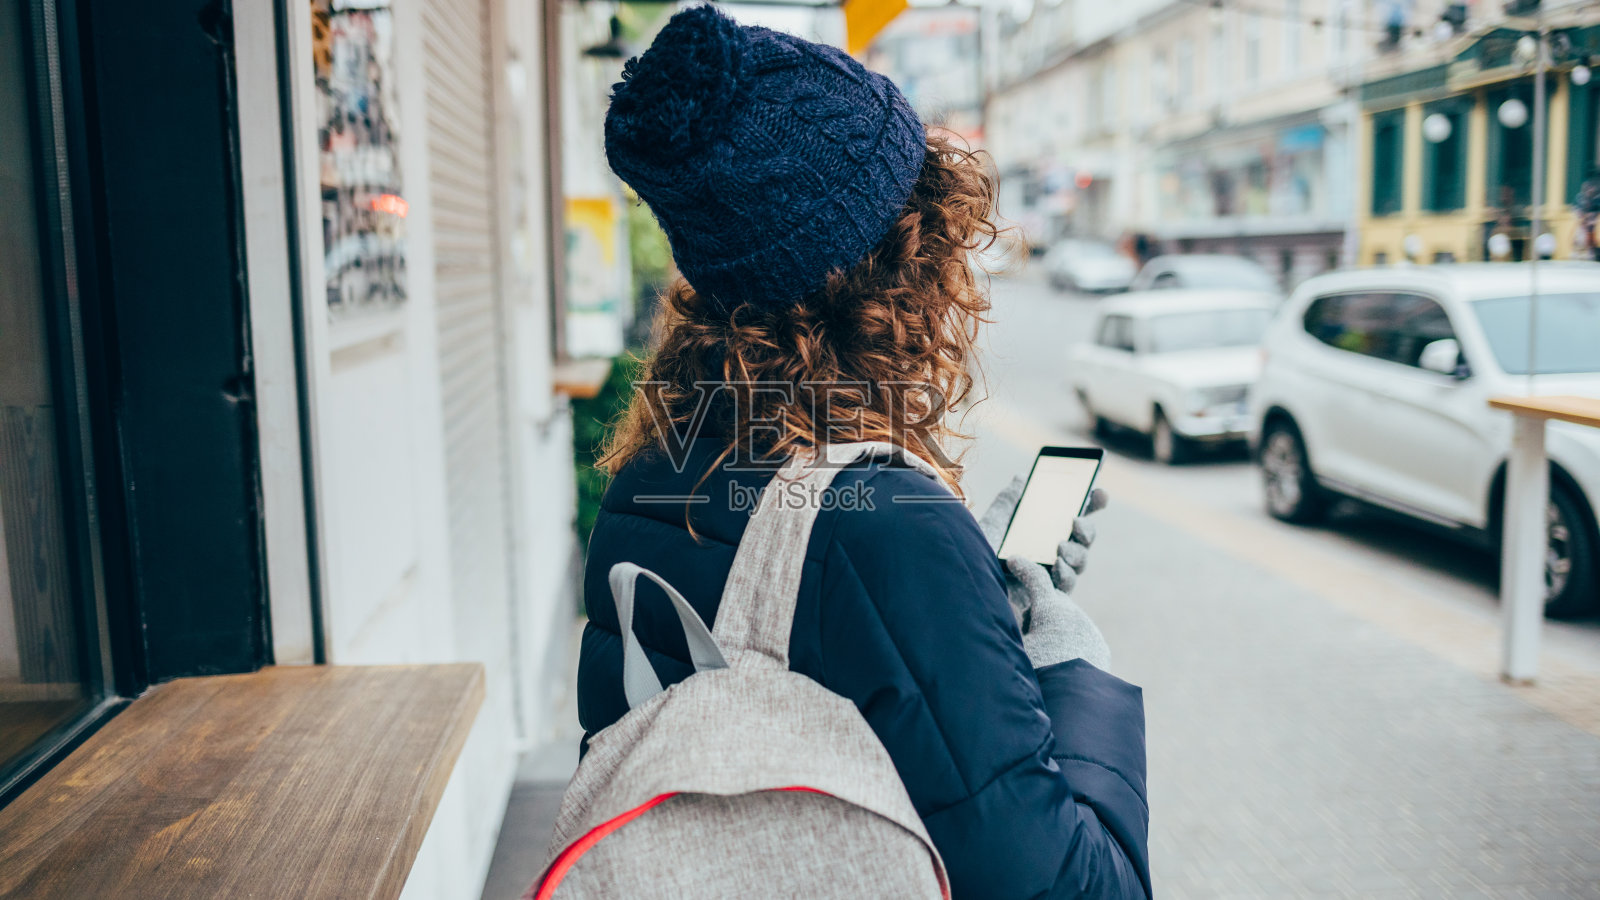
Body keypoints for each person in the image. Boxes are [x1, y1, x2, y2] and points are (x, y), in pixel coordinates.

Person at [579, 7, 1150, 898]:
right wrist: (1063, 656)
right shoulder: (889, 533)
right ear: (897, 275)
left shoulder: (653, 477)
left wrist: (972, 578)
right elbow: (1080, 886)